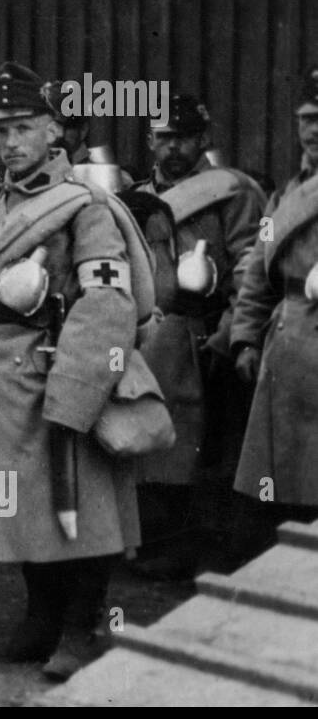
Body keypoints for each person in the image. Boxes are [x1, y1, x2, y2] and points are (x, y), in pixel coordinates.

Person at [0, 61, 150, 681]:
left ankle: (80, 630)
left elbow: (108, 303)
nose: (9, 142)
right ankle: (39, 623)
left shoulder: (85, 206)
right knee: (26, 512)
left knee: (79, 510)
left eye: (23, 128)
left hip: (60, 373)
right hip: (1, 376)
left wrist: (76, 396)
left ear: (55, 131)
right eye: (0, 131)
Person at [128, 95, 264, 578]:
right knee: (139, 433)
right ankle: (144, 538)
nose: (173, 149)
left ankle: (185, 547)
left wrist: (229, 334)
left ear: (203, 140)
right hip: (142, 333)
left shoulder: (232, 191)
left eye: (184, 138)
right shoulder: (136, 194)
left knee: (194, 444)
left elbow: (252, 265)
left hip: (200, 334)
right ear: (150, 140)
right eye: (164, 137)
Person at [229, 65, 318, 559]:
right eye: (308, 117)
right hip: (284, 349)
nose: (315, 128)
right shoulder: (285, 194)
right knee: (271, 494)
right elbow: (257, 273)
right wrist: (244, 337)